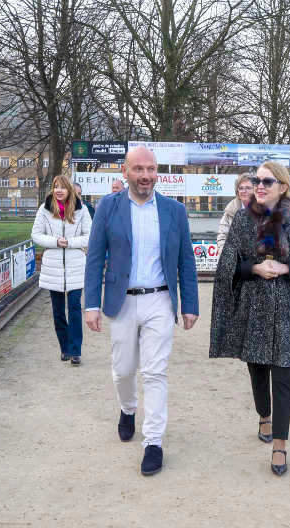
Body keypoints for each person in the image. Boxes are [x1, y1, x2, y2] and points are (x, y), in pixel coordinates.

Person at [84, 146, 199, 477]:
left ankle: (153, 442)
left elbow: (185, 262)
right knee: (123, 370)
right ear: (126, 171)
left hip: (160, 300)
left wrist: (189, 304)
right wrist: (91, 304)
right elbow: (95, 257)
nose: (145, 175)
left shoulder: (174, 211)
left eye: (150, 169)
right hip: (122, 301)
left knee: (155, 372)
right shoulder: (108, 207)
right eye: (138, 169)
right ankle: (127, 408)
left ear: (157, 172)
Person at [209, 161, 290, 476]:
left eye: (266, 181)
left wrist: (288, 269)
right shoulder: (243, 221)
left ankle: (280, 443)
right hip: (254, 307)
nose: (259, 185)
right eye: (256, 180)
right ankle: (264, 412)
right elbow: (228, 265)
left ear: (283, 187)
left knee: (284, 374)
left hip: (288, 308)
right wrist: (255, 268)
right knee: (258, 367)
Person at [31, 175, 93, 366]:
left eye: (62, 187)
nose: (58, 190)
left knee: (74, 307)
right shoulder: (45, 209)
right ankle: (64, 348)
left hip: (75, 265)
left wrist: (70, 243)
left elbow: (90, 236)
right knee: (58, 311)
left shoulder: (81, 210)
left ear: (69, 190)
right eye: (55, 187)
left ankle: (75, 351)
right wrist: (56, 242)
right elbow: (36, 235)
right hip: (53, 266)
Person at [216, 173, 254, 255]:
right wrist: (228, 256)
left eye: (248, 188)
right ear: (237, 191)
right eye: (241, 188)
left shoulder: (264, 210)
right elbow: (222, 237)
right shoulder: (230, 211)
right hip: (235, 262)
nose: (244, 191)